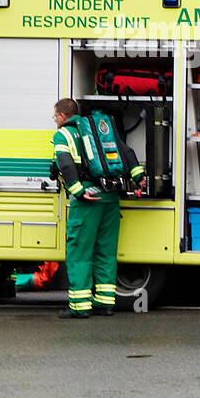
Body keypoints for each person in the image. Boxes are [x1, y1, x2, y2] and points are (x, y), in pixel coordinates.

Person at [52, 98, 145, 318]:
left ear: (63, 116)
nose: (55, 120)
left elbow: (65, 163)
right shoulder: (99, 130)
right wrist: (139, 177)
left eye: (55, 116)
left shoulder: (63, 134)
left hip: (88, 200)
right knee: (106, 252)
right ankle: (105, 303)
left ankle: (80, 307)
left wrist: (77, 190)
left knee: (80, 253)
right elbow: (127, 151)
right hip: (111, 198)